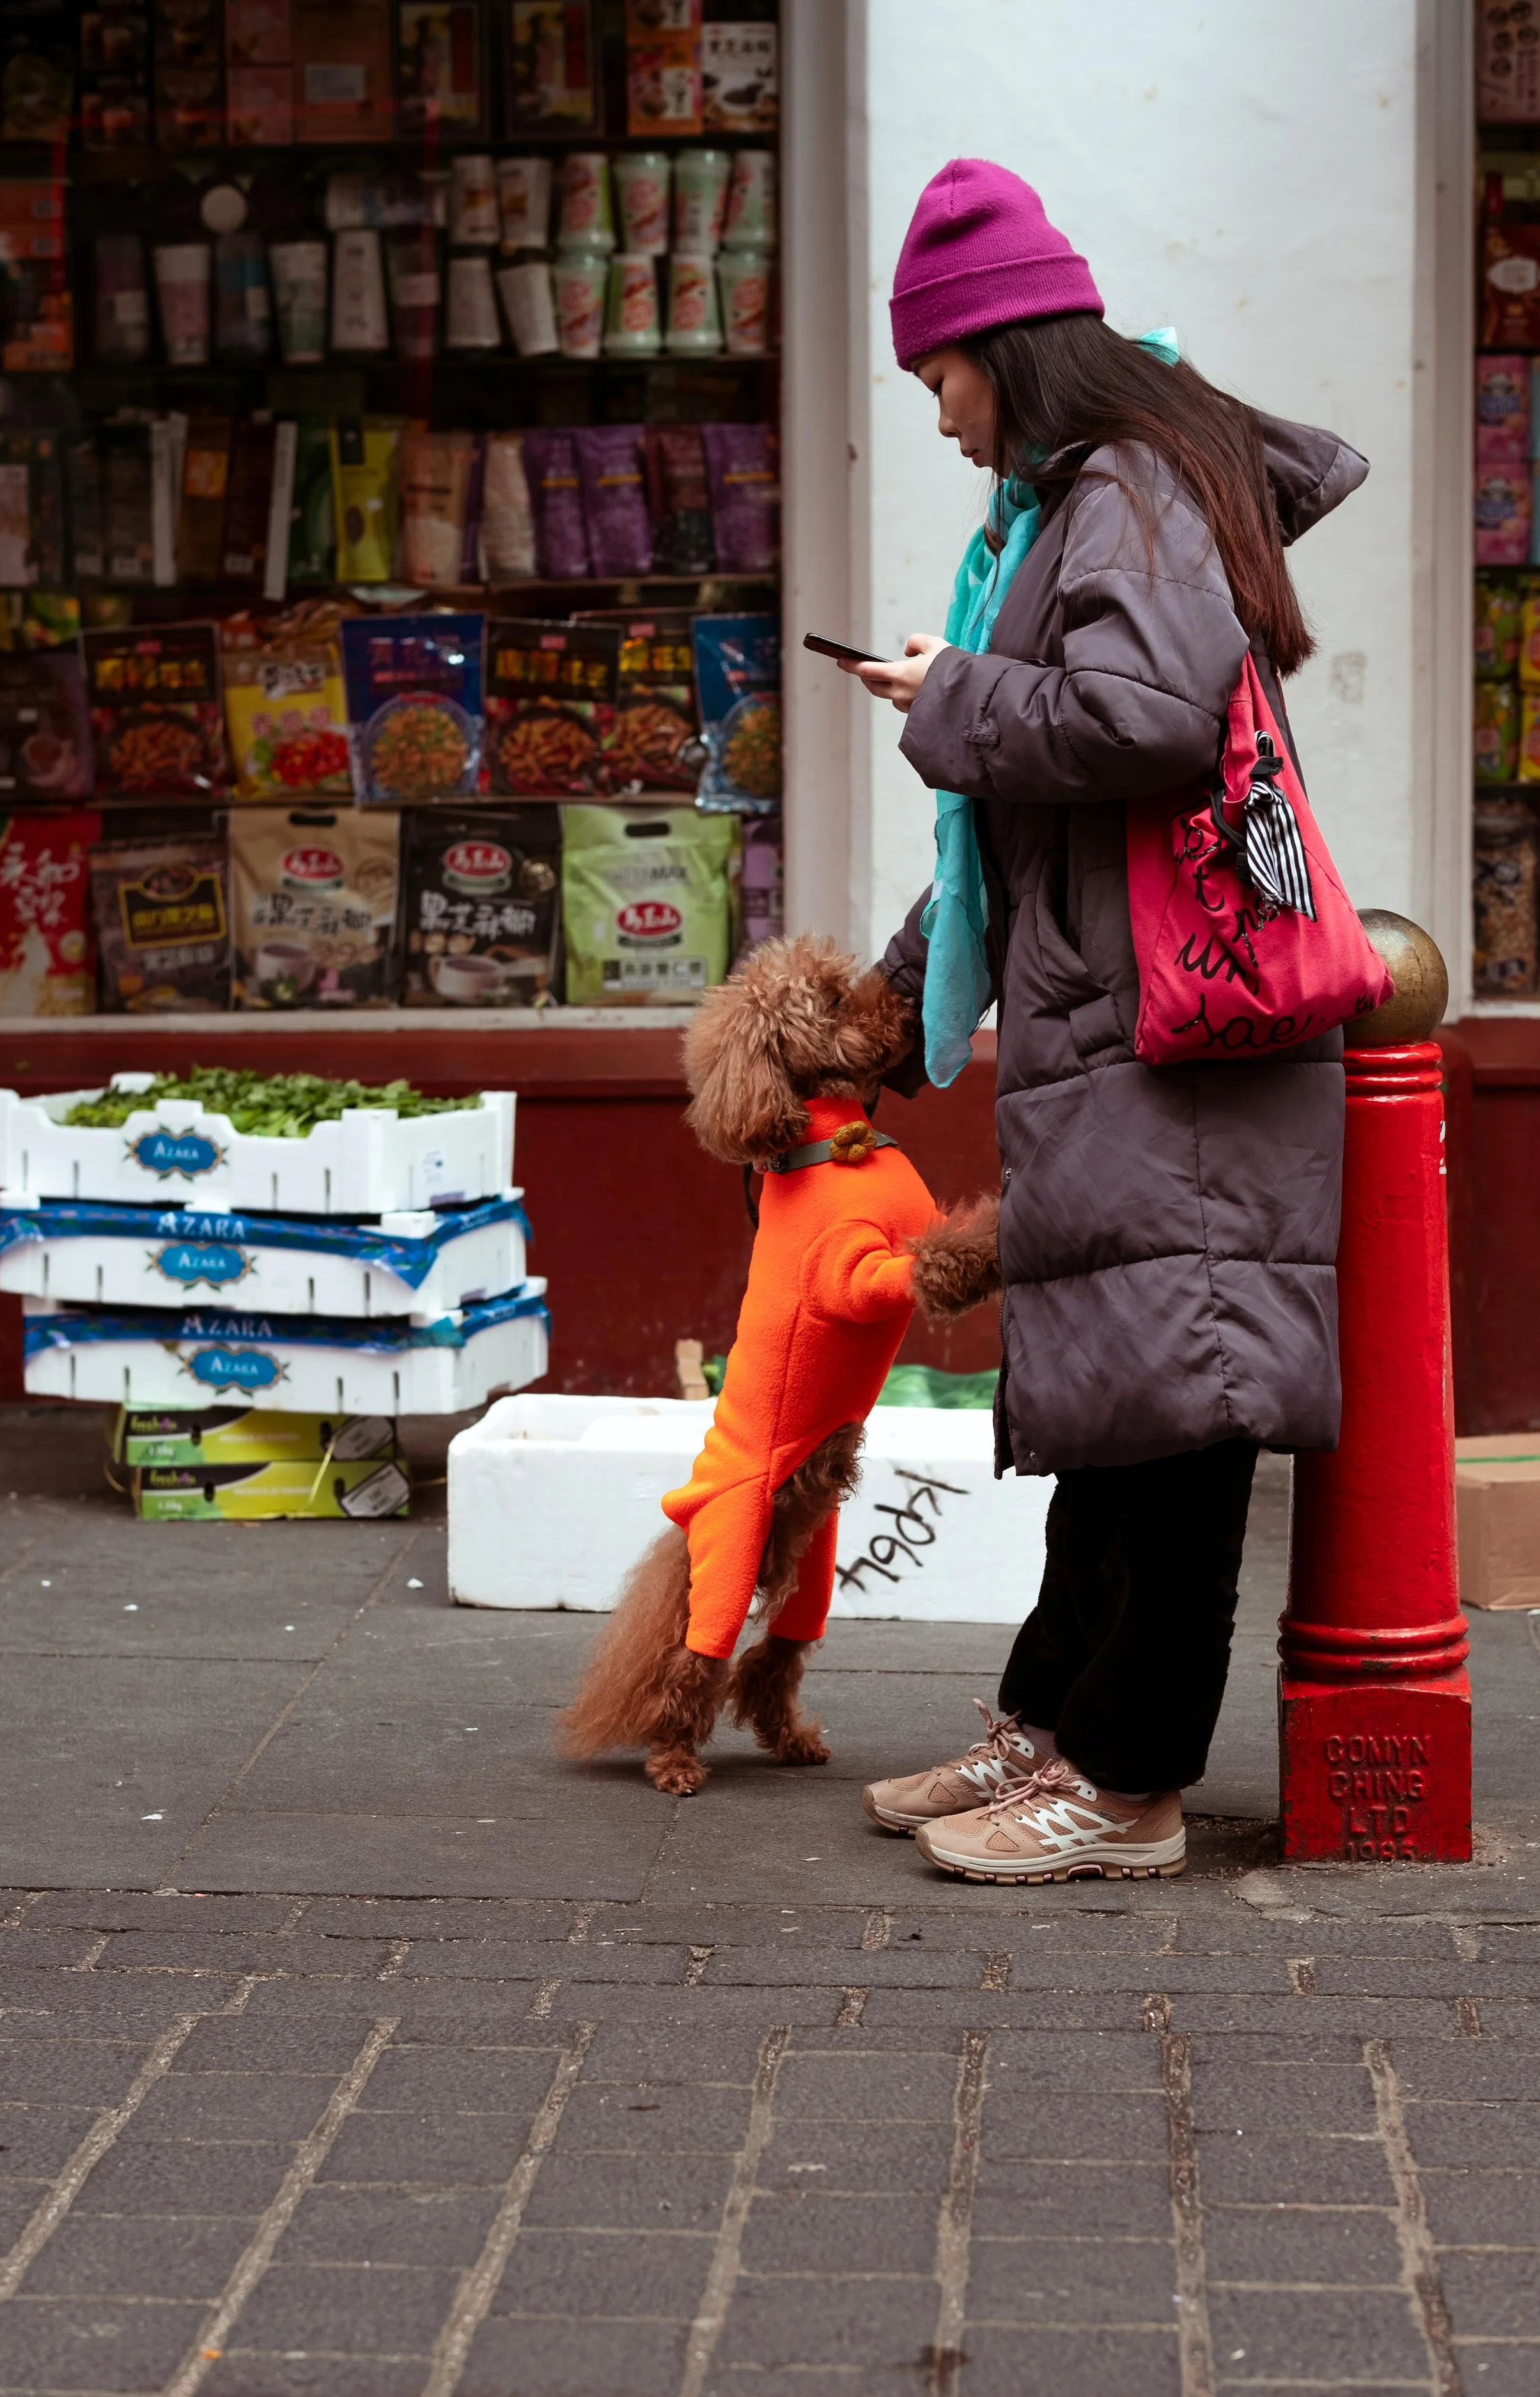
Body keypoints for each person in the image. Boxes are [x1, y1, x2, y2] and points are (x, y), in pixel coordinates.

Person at [853, 157, 1367, 1884]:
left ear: (1003, 343)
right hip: (1126, 1027)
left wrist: (953, 693)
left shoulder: (1128, 487)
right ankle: (1054, 1720)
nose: (934, 421)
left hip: (1183, 1037)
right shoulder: (1086, 496)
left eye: (936, 379)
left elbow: (1141, 714)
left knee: (1180, 1417)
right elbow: (1036, 806)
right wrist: (908, 959)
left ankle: (1128, 1785)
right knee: (1123, 1404)